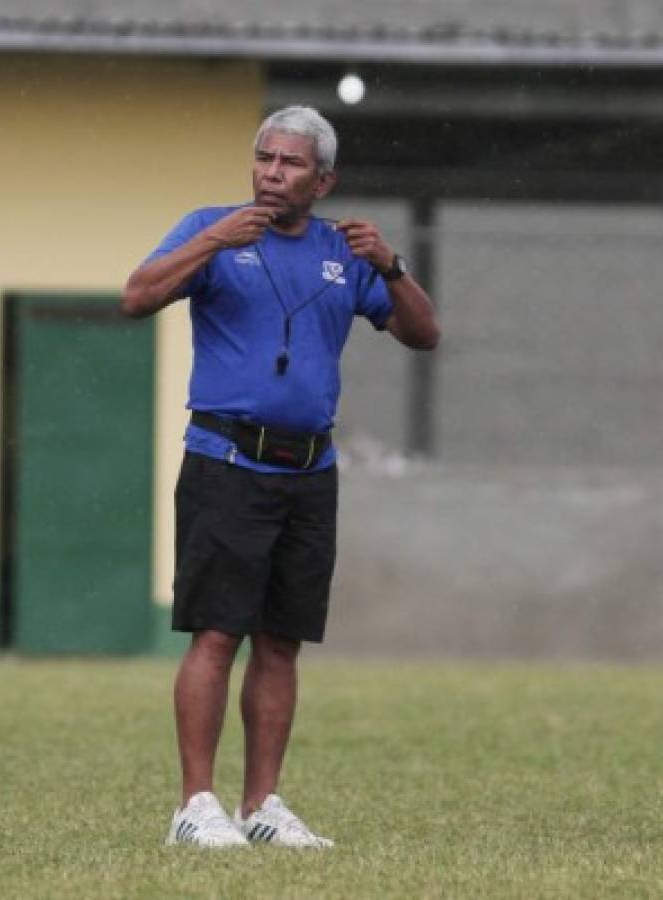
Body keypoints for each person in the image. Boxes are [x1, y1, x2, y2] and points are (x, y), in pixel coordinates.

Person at [122, 105, 439, 848]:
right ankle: (194, 807)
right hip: (226, 461)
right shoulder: (212, 227)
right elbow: (135, 298)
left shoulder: (343, 253)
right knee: (215, 635)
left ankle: (260, 807)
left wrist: (390, 265)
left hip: (309, 471)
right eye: (263, 158)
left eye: (290, 163)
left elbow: (424, 335)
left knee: (281, 641)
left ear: (323, 180)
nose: (270, 173)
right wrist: (212, 241)